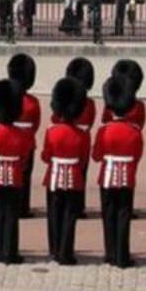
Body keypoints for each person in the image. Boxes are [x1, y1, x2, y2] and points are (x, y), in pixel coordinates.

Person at [94, 76, 143, 268]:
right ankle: (122, 255)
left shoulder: (104, 130)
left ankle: (110, 253)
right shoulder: (135, 130)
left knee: (108, 214)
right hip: (127, 176)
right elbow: (137, 155)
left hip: (107, 176)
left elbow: (96, 156)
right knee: (124, 215)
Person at [0, 79, 31, 264]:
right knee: (12, 215)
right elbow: (25, 158)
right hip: (15, 177)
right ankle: (10, 251)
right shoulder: (23, 134)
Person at [43, 77, 90, 265]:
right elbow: (84, 159)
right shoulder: (82, 135)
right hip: (74, 178)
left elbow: (46, 156)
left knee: (54, 213)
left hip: (54, 177)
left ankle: (54, 249)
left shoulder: (51, 131)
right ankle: (65, 252)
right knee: (69, 216)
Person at [7, 55, 40, 221]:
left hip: (10, 139)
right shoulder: (33, 102)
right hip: (27, 141)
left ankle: (11, 205)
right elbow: (36, 124)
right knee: (25, 176)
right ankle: (23, 207)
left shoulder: (10, 98)